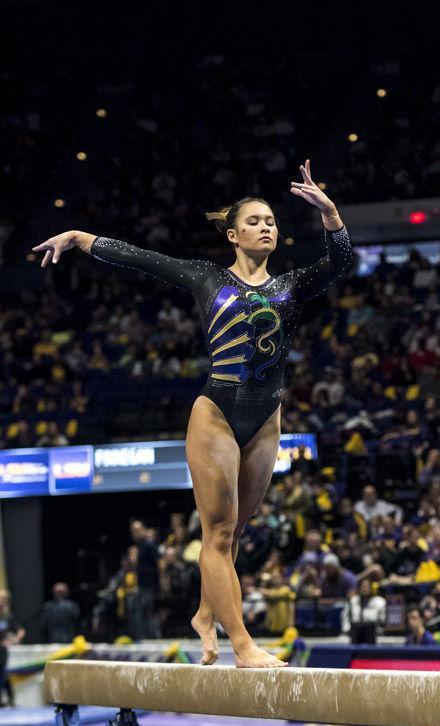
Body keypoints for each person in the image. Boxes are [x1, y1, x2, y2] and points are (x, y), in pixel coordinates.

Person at [34, 160, 353, 667]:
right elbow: (142, 259)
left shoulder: (290, 285)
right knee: (219, 534)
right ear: (232, 234)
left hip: (267, 416)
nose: (266, 226)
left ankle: (206, 615)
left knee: (233, 533)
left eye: (271, 221)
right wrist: (80, 236)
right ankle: (242, 645)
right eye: (254, 221)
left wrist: (331, 213)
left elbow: (339, 264)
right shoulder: (207, 277)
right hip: (218, 413)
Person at [341, 577, 386, 644]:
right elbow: (345, 617)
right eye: (363, 587)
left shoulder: (380, 602)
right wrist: (347, 630)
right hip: (355, 635)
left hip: (375, 635)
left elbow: (383, 620)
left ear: (372, 588)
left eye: (367, 587)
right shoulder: (353, 600)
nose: (365, 589)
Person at [0, 590, 24, 707]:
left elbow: (20, 631)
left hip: (3, 652)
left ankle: (10, 699)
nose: (1, 603)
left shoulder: (8, 617)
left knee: (4, 675)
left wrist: (14, 640)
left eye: (3, 601)